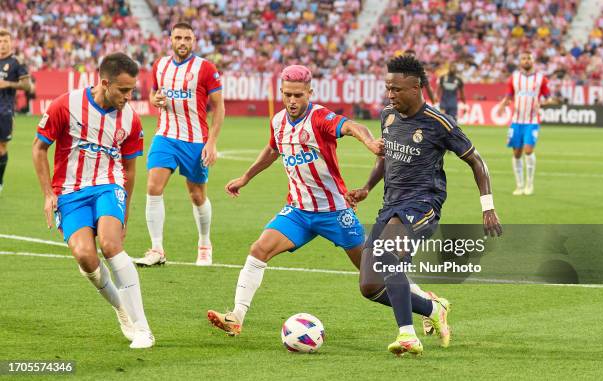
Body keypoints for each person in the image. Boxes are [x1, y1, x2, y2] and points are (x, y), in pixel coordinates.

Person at [206, 65, 385, 336]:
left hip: (333, 212)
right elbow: (272, 150)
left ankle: (427, 302)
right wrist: (246, 177)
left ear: (309, 93)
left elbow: (352, 126)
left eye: (298, 95)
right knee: (259, 250)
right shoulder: (277, 121)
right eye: (287, 94)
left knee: (372, 273)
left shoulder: (319, 117)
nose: (292, 100)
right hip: (298, 212)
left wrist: (370, 143)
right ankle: (236, 316)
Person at [346, 55, 502, 356]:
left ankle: (407, 335)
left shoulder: (438, 123)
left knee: (389, 256)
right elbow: (385, 157)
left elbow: (476, 160)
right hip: (390, 205)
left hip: (422, 205)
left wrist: (487, 206)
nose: (390, 95)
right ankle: (433, 307)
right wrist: (366, 187)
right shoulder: (388, 115)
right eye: (388, 89)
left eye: (397, 90)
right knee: (369, 286)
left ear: (417, 88)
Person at [32, 53, 154, 349]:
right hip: (70, 192)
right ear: (104, 82)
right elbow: (39, 149)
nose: (129, 97)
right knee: (86, 257)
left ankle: (143, 329)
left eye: (132, 90)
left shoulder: (131, 119)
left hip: (108, 186)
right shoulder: (66, 105)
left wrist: (125, 209)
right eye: (123, 90)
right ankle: (121, 308)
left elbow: (129, 168)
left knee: (111, 245)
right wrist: (49, 194)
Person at [134, 22, 225, 267]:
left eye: (187, 38)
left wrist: (212, 142)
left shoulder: (205, 68)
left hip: (195, 140)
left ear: (193, 41)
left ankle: (205, 243)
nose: (182, 42)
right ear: (171, 40)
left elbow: (219, 107)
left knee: (197, 195)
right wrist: (156, 100)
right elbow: (153, 94)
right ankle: (156, 249)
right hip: (165, 135)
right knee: (153, 187)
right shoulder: (160, 65)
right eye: (178, 38)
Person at [497, 51, 550, 196]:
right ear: (521, 61)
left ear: (533, 61)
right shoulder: (514, 78)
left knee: (528, 150)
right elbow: (509, 94)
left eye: (529, 58)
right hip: (516, 121)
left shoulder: (541, 78)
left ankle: (529, 184)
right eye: (524, 58)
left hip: (532, 121)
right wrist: (503, 104)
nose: (526, 61)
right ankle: (519, 185)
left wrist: (544, 103)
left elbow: (548, 96)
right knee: (517, 153)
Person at [0, 29, 31, 194]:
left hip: (4, 111)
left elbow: (27, 86)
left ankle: (0, 181)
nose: (3, 45)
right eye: (0, 42)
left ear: (10, 43)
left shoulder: (16, 63)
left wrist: (8, 84)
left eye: (5, 41)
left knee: (2, 147)